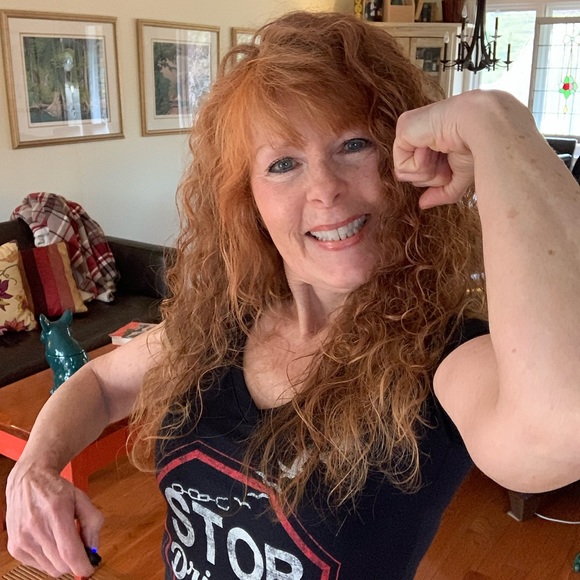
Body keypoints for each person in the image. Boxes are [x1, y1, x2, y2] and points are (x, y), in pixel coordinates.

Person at [5, 11, 580, 580]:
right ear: (248, 201)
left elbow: (558, 425)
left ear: (405, 162)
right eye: (283, 164)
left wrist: (496, 123)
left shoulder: (443, 355)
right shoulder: (223, 323)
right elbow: (102, 384)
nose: (325, 189)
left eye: (354, 144)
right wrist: (34, 466)